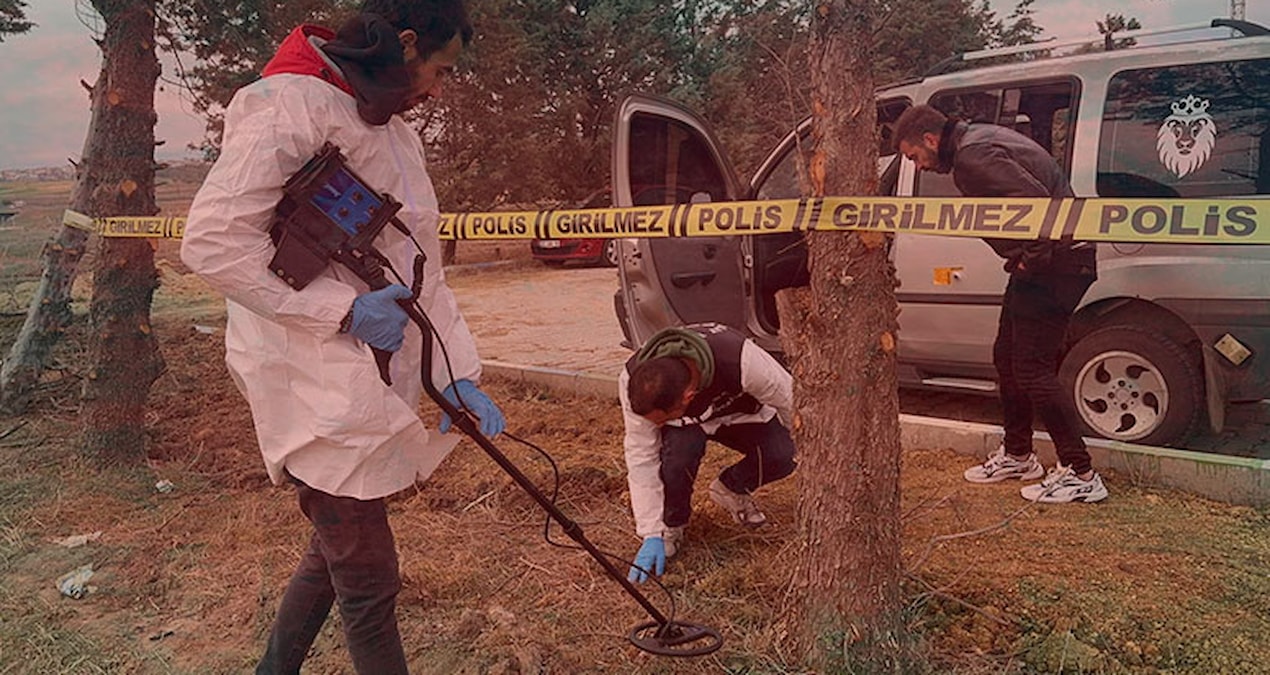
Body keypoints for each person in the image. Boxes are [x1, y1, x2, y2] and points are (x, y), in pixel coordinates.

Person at [180, 2, 505, 672]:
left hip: (362, 373)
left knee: (336, 553)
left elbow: (422, 266)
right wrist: (341, 312)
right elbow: (212, 244)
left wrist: (455, 375)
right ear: (405, 42)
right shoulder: (287, 106)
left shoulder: (394, 132)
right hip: (306, 375)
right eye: (438, 70)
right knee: (368, 574)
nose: (438, 89)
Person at [893, 104, 1107, 504]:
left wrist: (1032, 258)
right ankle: (1018, 454)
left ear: (930, 139)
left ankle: (1080, 472)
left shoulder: (973, 156)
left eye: (914, 157)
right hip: (1050, 262)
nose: (918, 167)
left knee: (1032, 368)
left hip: (1056, 264)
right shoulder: (978, 140)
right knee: (1006, 357)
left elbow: (1041, 208)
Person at [620, 323, 797, 583]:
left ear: (688, 397)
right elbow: (641, 456)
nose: (655, 428)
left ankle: (732, 488)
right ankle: (672, 526)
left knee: (784, 454)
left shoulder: (741, 360)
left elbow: (791, 402)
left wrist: (814, 455)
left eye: (661, 420)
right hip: (686, 427)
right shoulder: (633, 381)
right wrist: (651, 532)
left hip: (738, 414)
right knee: (677, 458)